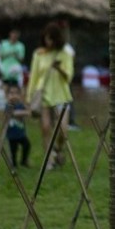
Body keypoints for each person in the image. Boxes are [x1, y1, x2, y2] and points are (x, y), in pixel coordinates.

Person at [26, 22, 75, 170]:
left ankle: (58, 149)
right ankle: (49, 159)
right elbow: (33, 77)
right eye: (46, 39)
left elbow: (69, 76)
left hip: (61, 94)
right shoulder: (38, 54)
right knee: (46, 128)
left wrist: (59, 68)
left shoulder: (65, 54)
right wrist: (29, 98)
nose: (49, 42)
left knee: (62, 129)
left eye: (51, 39)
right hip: (44, 94)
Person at [4, 85, 31, 169]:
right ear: (7, 95)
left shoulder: (20, 105)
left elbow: (29, 111)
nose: (14, 96)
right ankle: (14, 165)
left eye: (16, 93)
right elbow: (12, 113)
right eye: (11, 93)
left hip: (21, 133)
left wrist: (23, 103)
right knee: (13, 150)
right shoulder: (8, 105)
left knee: (27, 145)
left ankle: (24, 161)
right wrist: (24, 112)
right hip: (12, 134)